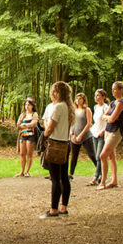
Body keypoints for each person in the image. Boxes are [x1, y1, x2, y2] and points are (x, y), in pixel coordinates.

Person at [40, 81, 74, 218]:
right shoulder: (68, 106)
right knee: (64, 177)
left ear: (60, 93)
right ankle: (63, 207)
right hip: (65, 143)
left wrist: (44, 136)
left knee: (55, 178)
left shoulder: (58, 107)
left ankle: (53, 209)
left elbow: (50, 127)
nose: (52, 94)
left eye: (55, 91)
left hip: (55, 144)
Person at [97, 81, 123, 190]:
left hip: (116, 132)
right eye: (112, 89)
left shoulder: (121, 103)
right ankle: (114, 181)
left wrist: (107, 118)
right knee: (111, 156)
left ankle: (103, 182)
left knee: (103, 155)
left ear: (121, 90)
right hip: (108, 130)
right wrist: (107, 118)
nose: (113, 91)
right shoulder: (112, 103)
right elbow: (104, 116)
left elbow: (112, 118)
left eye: (115, 89)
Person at [69, 92, 92, 179]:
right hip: (75, 135)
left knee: (91, 154)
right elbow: (71, 123)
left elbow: (89, 123)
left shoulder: (87, 110)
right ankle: (71, 174)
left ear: (84, 100)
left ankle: (99, 172)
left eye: (80, 99)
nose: (78, 101)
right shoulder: (73, 110)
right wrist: (72, 134)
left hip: (86, 136)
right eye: (77, 99)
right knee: (74, 156)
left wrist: (81, 135)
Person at [88, 89, 108, 186]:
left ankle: (96, 177)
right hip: (94, 132)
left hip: (101, 134)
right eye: (96, 95)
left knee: (99, 156)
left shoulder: (106, 107)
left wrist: (103, 131)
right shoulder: (95, 107)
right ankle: (101, 175)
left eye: (99, 95)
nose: (97, 97)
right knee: (97, 156)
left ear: (103, 97)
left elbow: (108, 121)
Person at [16, 97, 39, 177]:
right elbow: (18, 124)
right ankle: (22, 171)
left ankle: (27, 171)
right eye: (26, 104)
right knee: (22, 153)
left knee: (29, 154)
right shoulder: (23, 114)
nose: (27, 106)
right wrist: (22, 126)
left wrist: (26, 125)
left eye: (28, 104)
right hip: (23, 135)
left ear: (32, 106)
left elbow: (34, 123)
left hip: (31, 135)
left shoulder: (34, 114)